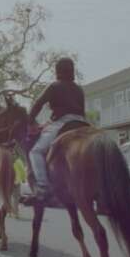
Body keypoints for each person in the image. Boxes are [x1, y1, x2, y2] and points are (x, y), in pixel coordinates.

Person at [22, 57, 87, 207]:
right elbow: (81, 110)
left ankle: (43, 188)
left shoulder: (54, 86)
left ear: (58, 71)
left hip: (63, 122)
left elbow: (38, 104)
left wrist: (31, 121)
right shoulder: (79, 89)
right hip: (83, 123)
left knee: (36, 152)